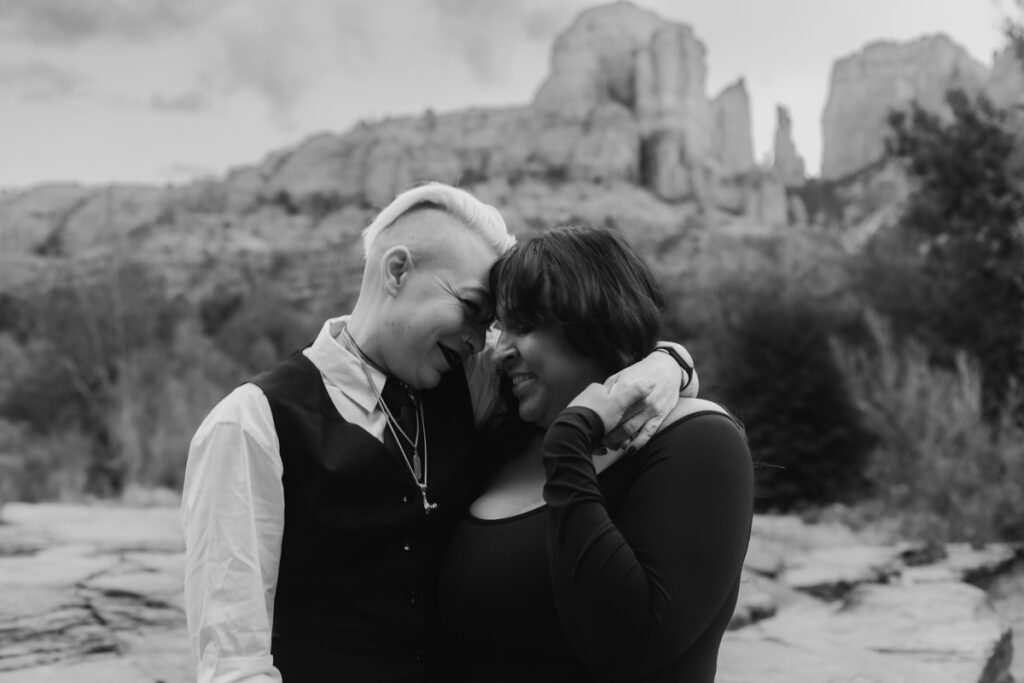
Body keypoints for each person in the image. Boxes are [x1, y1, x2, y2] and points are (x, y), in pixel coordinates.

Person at [181, 183, 698, 683]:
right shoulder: (250, 422)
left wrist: (670, 363)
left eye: (489, 323)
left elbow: (596, 355)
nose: (480, 341)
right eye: (471, 309)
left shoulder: (471, 383)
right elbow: (234, 665)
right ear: (397, 271)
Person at [436, 225, 753, 682]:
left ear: (595, 318)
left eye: (523, 326)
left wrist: (569, 445)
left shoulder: (697, 440)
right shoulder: (501, 440)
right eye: (500, 327)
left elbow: (629, 648)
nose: (501, 351)